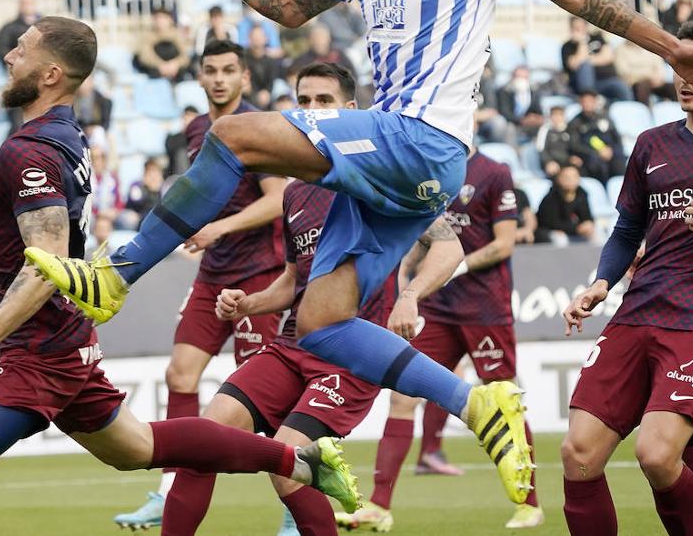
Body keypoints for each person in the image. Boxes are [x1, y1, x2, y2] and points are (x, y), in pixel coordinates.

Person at [27, 0, 693, 507]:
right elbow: (289, 7)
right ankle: (478, 405)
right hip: (393, 168)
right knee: (322, 324)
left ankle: (116, 276)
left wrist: (671, 48)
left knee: (234, 135)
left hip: (422, 139)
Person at [0, 17, 360, 535]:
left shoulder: (32, 150)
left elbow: (46, 264)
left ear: (51, 73)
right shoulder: (63, 136)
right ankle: (297, 462)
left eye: (21, 49)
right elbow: (6, 225)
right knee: (139, 447)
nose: (9, 57)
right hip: (67, 341)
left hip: (40, 353)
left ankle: (293, 463)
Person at [165, 63, 468, 536]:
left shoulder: (385, 176)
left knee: (288, 462)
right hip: (291, 346)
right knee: (205, 442)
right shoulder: (295, 192)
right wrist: (248, 304)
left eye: (323, 102)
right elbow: (293, 281)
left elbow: (450, 248)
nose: (312, 111)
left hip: (350, 356)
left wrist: (409, 295)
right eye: (303, 102)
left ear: (351, 110)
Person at [561, 21, 693, 536]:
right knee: (578, 453)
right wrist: (601, 283)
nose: (686, 78)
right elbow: (627, 229)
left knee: (656, 454)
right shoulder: (651, 143)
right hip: (639, 309)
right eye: (678, 66)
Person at [114, 39, 289, 529]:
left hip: (258, 274)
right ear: (200, 77)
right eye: (211, 70)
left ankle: (297, 507)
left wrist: (219, 228)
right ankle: (168, 492)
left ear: (245, 78)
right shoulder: (196, 130)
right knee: (180, 376)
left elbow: (278, 198)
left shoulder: (258, 128)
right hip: (213, 275)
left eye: (229, 70)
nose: (219, 79)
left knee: (266, 397)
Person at [351, 144, 543, 531]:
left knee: (504, 400)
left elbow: (504, 243)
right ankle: (379, 505)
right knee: (402, 397)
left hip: (485, 308)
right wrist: (405, 269)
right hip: (438, 307)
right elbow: (423, 234)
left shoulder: (494, 172)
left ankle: (529, 504)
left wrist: (455, 267)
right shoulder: (429, 168)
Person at [562, 17, 633, 103]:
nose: (580, 30)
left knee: (622, 89)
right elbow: (574, 65)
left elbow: (608, 57)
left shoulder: (597, 38)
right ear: (571, 29)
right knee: (585, 67)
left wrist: (585, 59)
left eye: (581, 27)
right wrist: (582, 42)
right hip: (584, 85)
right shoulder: (567, 46)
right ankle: (590, 99)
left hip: (607, 80)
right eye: (576, 28)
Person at [536, 165, 596, 244]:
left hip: (576, 230)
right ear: (558, 179)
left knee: (595, 234)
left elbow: (587, 217)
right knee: (560, 239)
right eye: (567, 177)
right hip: (551, 232)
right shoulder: (550, 199)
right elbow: (551, 224)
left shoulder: (582, 195)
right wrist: (576, 229)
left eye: (574, 177)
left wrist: (588, 224)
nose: (571, 180)